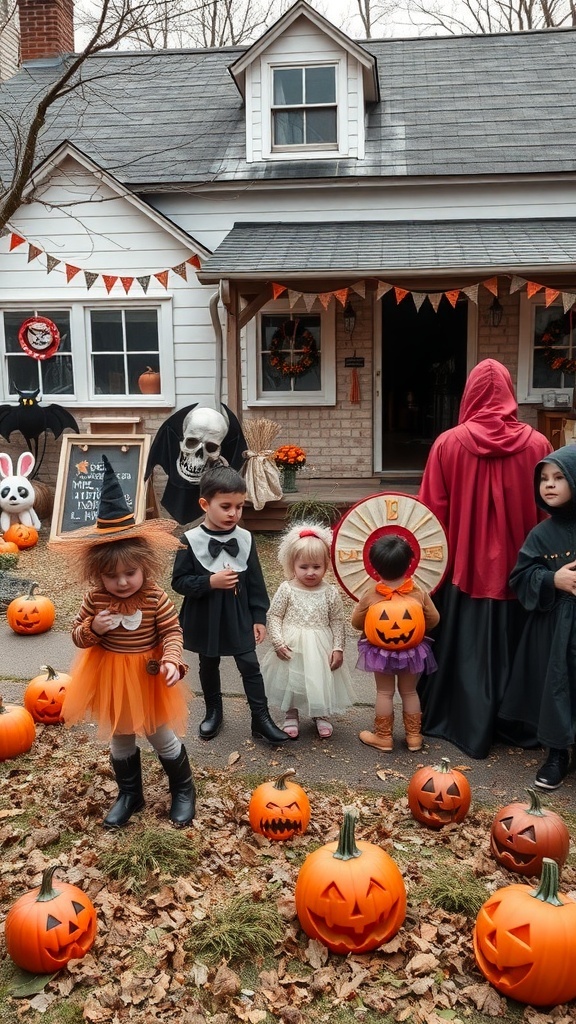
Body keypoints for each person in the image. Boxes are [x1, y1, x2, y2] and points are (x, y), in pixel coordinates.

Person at [51, 455, 195, 830]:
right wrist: (94, 628)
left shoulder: (154, 598)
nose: (122, 582)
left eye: (130, 573)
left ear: (145, 566)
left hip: (148, 678)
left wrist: (171, 660)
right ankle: (130, 793)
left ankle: (183, 788)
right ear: (97, 574)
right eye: (111, 576)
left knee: (161, 734)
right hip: (111, 676)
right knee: (120, 736)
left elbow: (172, 633)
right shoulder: (95, 600)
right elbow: (78, 636)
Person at [417, 358, 552, 759]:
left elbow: (430, 515)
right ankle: (517, 723)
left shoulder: (448, 443)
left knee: (463, 649)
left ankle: (459, 718)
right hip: (521, 568)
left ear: (470, 394)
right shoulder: (538, 444)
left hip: (463, 568)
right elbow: (548, 510)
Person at [171, 465, 287, 745]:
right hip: (205, 615)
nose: (233, 513)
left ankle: (261, 718)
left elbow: (256, 584)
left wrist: (259, 617)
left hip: (237, 615)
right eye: (225, 506)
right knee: (208, 663)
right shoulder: (190, 540)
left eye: (239, 506)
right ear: (204, 504)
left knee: (249, 664)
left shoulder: (245, 539)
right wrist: (209, 582)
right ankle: (214, 711)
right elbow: (179, 582)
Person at [499, 445, 576, 789]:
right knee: (557, 687)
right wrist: (551, 578)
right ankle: (557, 753)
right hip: (556, 627)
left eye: (559, 477)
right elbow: (519, 577)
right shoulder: (541, 534)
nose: (549, 485)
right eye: (544, 478)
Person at [260, 522, 356, 739]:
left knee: (319, 678)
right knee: (292, 679)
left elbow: (337, 620)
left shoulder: (330, 592)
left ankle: (320, 713)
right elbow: (275, 615)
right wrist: (277, 641)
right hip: (292, 642)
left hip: (321, 645)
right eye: (304, 567)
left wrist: (338, 647)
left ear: (326, 565)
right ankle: (291, 713)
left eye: (316, 567)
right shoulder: (287, 589)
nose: (311, 572)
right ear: (292, 565)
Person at [352, 535, 439, 752]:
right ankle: (414, 737)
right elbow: (435, 619)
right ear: (410, 563)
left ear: (374, 567)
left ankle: (383, 737)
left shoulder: (371, 594)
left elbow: (355, 622)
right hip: (411, 651)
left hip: (381, 652)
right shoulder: (418, 591)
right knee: (410, 692)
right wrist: (418, 627)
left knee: (385, 692)